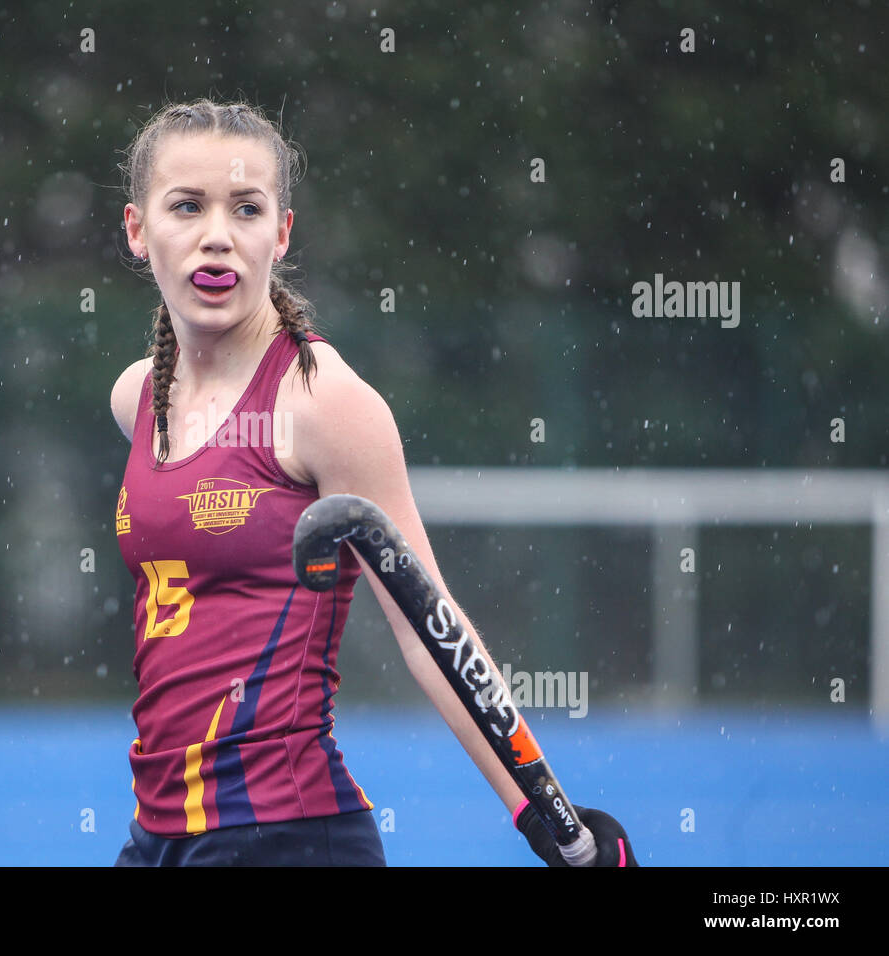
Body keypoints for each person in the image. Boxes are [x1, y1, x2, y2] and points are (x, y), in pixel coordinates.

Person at [108, 97, 636, 866]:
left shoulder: (326, 404)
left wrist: (539, 812)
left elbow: (430, 625)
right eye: (186, 206)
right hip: (155, 838)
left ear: (280, 234)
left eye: (246, 209)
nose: (216, 235)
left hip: (285, 836)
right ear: (137, 229)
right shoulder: (137, 399)